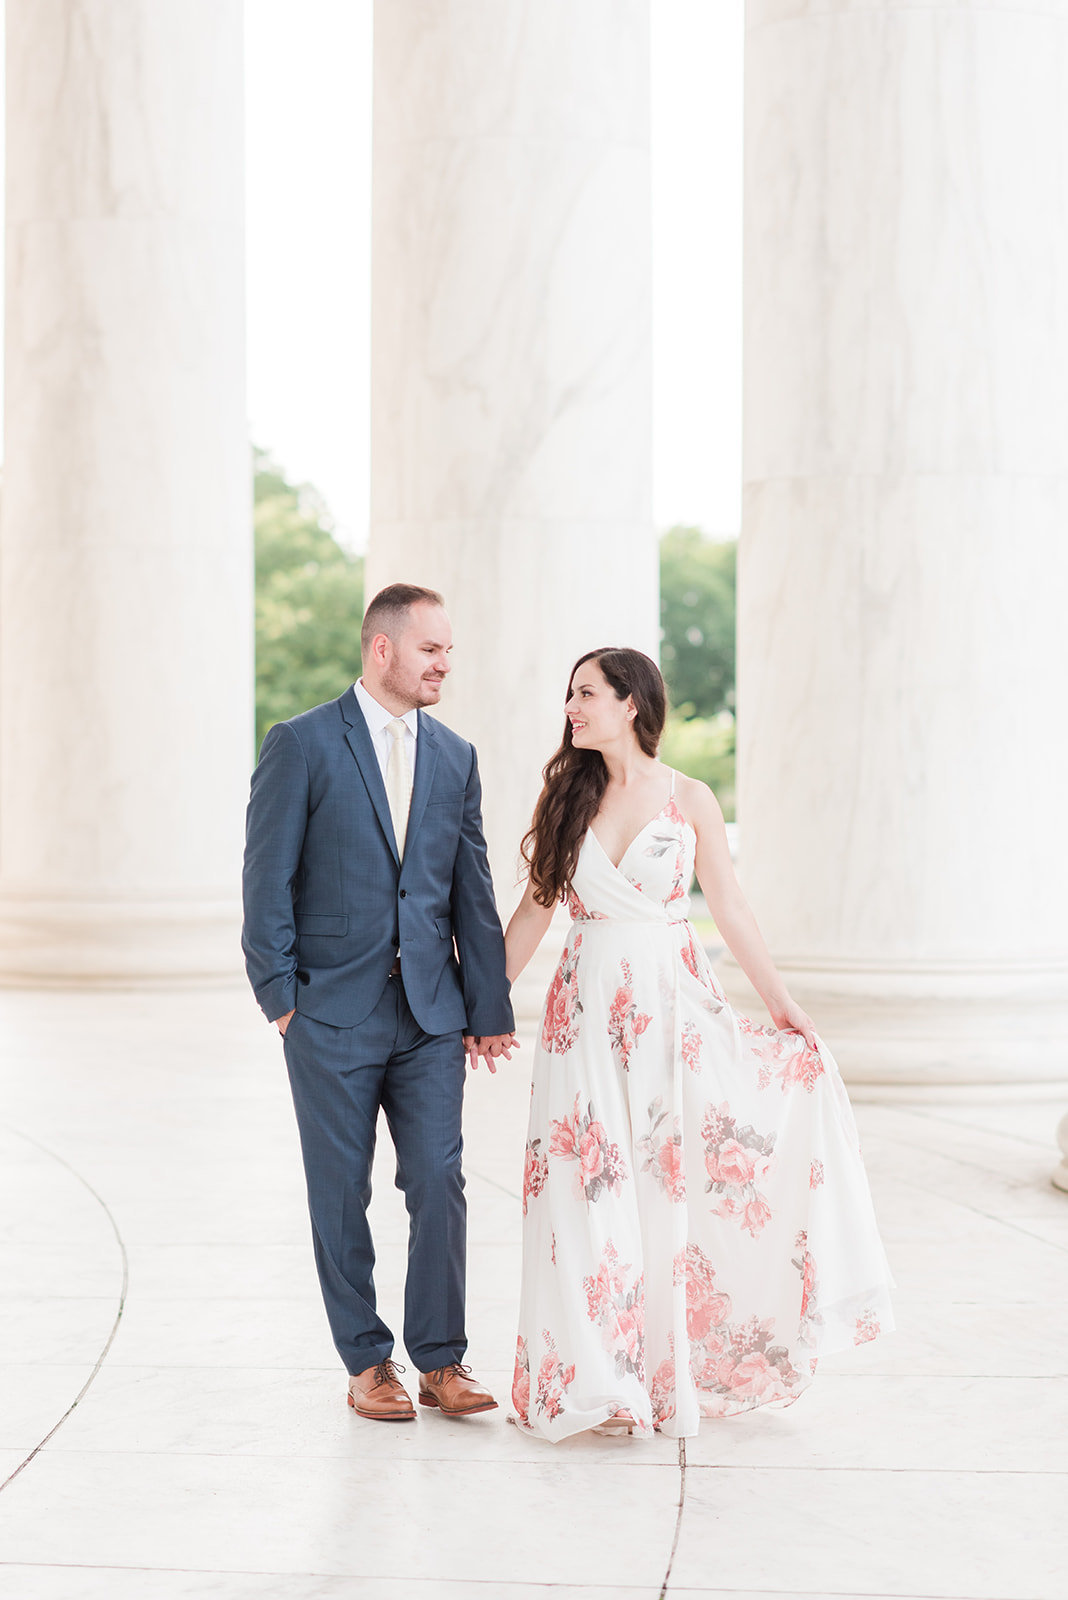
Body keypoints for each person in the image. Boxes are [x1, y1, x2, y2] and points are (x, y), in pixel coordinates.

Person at [505, 647, 893, 1440]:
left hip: (668, 1007)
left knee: (659, 1191)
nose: (571, 708)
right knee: (583, 1188)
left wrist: (783, 1005)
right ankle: (595, 1381)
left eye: (586, 694)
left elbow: (734, 908)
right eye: (570, 695)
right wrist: (473, 1008)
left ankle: (653, 1370)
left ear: (632, 705)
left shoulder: (690, 800)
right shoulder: (566, 796)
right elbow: (535, 913)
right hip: (582, 1009)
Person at [242, 583, 516, 1423]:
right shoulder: (302, 744)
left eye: (449, 651)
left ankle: (441, 1360)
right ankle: (368, 1361)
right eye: (431, 649)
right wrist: (281, 998)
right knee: (339, 1189)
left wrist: (489, 1007)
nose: (444, 664)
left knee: (439, 1178)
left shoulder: (456, 756)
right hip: (329, 1014)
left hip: (431, 1012)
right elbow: (266, 881)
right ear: (382, 649)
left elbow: (471, 886)